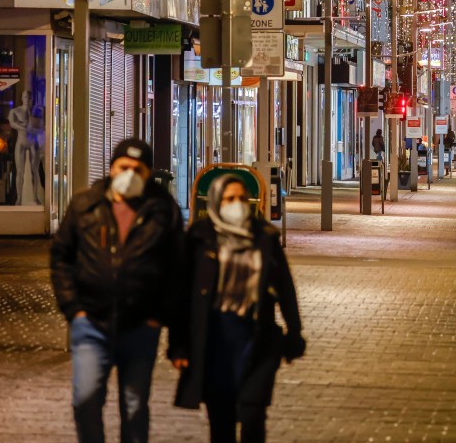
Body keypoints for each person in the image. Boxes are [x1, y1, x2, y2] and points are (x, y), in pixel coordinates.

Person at [50, 138, 184, 443]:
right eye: (124, 167)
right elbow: (61, 257)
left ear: (149, 173)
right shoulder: (86, 205)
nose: (130, 174)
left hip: (140, 327)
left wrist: (157, 317)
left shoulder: (162, 211)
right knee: (85, 400)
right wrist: (75, 310)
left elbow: (177, 271)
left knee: (134, 406)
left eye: (139, 169)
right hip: (91, 324)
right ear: (112, 167)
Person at [170, 174, 304, 443]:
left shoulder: (264, 237)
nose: (237, 204)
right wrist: (179, 345)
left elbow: (285, 288)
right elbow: (183, 295)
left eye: (242, 198)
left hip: (258, 339)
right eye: (230, 199)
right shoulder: (199, 238)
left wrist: (294, 332)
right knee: (222, 421)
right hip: (215, 342)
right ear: (217, 202)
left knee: (253, 413)